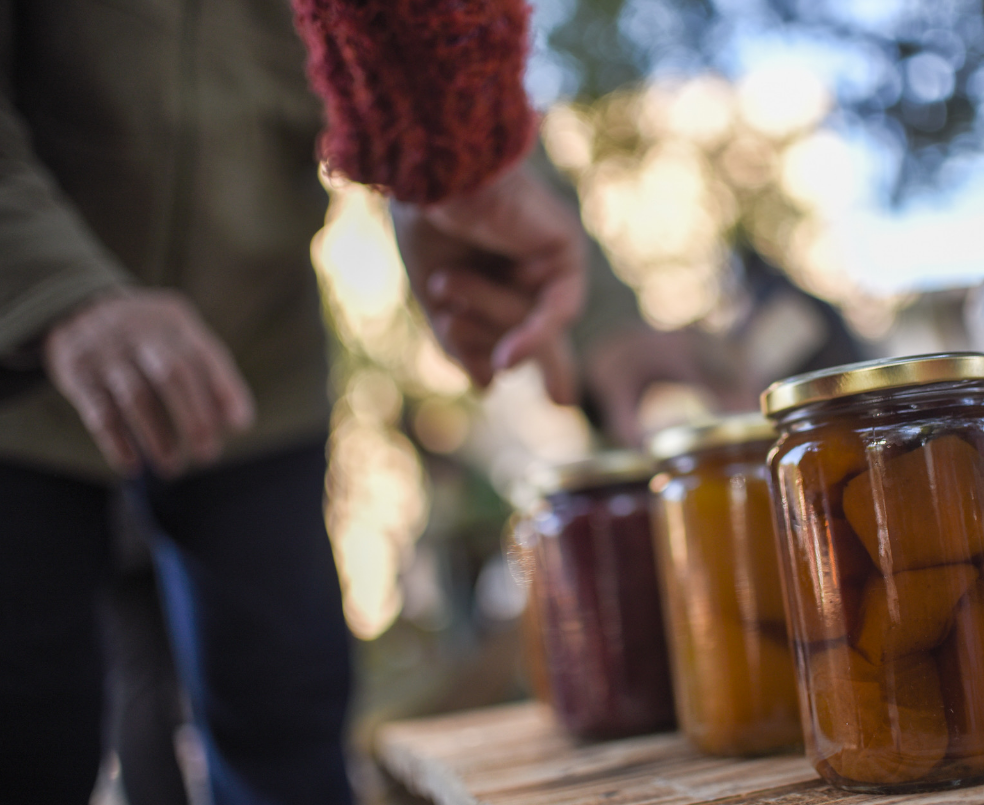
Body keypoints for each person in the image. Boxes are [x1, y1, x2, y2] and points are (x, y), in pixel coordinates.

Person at [0, 0, 583, 802]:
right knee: (28, 729)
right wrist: (56, 289)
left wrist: (447, 161)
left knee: (291, 719)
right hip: (19, 376)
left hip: (257, 368)